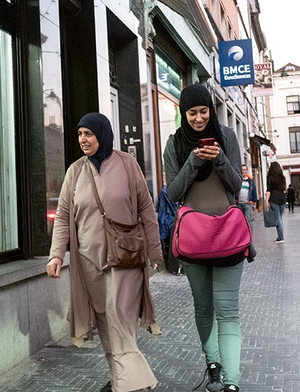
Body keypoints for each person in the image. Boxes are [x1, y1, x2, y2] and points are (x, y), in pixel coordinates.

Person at [47, 112, 161, 392]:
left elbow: (146, 209)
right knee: (107, 321)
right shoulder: (75, 171)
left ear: (103, 134)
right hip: (89, 262)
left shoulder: (127, 164)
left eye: (88, 134)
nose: (83, 140)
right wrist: (56, 254)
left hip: (125, 257)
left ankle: (127, 386)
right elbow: (63, 217)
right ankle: (126, 381)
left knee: (119, 317)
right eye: (79, 135)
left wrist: (156, 251)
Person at [163, 84, 244, 392]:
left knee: (228, 310)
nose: (199, 119)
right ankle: (213, 363)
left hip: (228, 235)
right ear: (184, 114)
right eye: (192, 113)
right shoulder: (174, 144)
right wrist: (194, 161)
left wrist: (220, 158)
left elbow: (235, 185)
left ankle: (231, 382)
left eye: (204, 111)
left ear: (211, 110)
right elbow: (173, 192)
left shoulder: (227, 137)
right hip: (193, 240)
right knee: (203, 307)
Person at [265, 162, 287, 243]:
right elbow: (284, 188)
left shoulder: (270, 177)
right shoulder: (282, 177)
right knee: (280, 217)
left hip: (274, 198)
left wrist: (266, 200)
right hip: (282, 198)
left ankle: (281, 237)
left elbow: (269, 190)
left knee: (278, 218)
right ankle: (279, 236)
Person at [235, 164, 257, 229]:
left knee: (248, 220)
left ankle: (250, 235)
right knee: (239, 221)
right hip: (238, 203)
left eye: (244, 170)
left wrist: (254, 203)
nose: (243, 171)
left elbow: (254, 192)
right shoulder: (238, 180)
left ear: (246, 171)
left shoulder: (250, 182)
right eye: (242, 170)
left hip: (248, 203)